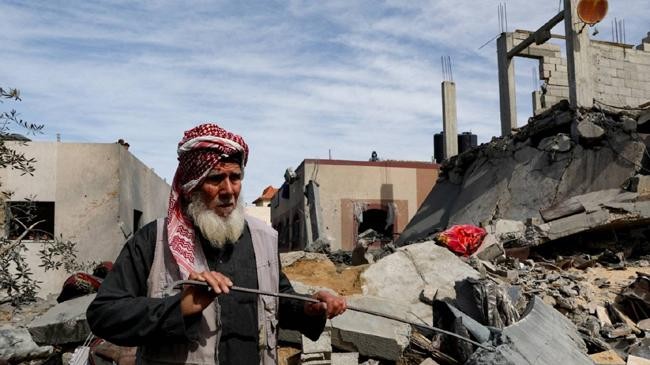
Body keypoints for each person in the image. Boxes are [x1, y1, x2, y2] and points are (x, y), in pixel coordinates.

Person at [87, 123, 347, 364]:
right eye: (215, 179)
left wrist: (309, 307)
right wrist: (179, 307)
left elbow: (277, 298)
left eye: (235, 178)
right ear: (191, 186)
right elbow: (104, 314)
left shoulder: (263, 238)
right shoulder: (155, 241)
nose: (228, 190)